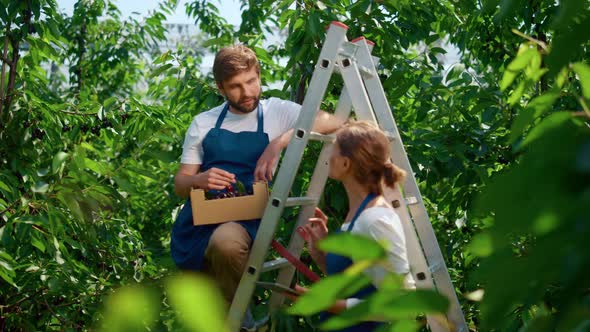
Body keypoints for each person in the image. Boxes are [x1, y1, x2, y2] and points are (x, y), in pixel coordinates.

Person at [170, 44, 342, 322]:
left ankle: (235, 322)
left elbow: (330, 120)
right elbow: (180, 184)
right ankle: (240, 321)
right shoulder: (204, 123)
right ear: (220, 88)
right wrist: (199, 179)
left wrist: (281, 141)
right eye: (235, 86)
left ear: (259, 75)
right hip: (200, 220)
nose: (247, 92)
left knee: (226, 246)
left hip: (245, 218)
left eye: (251, 81)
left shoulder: (276, 112)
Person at [296, 120, 415, 331]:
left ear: (345, 164)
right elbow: (357, 283)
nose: (328, 157)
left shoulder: (375, 220)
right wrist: (322, 253)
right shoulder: (358, 214)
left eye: (333, 150)